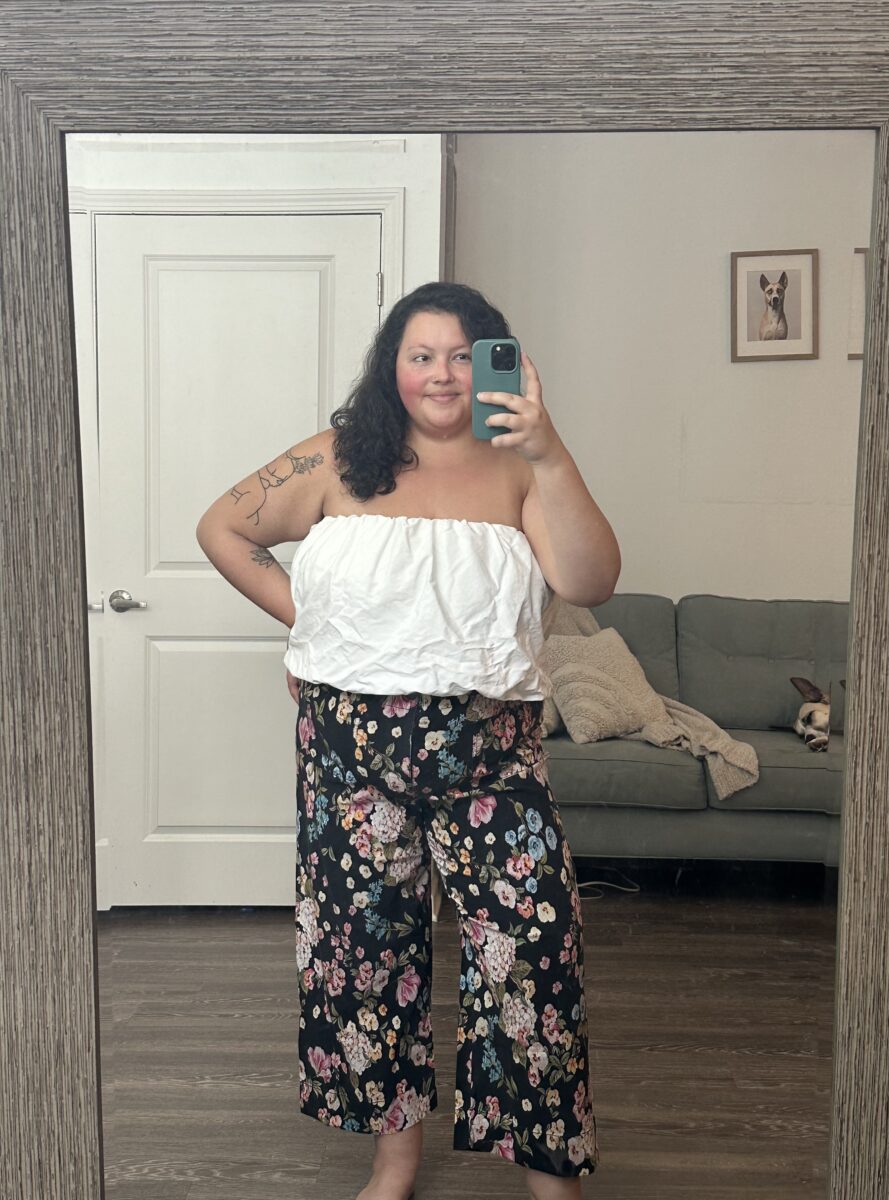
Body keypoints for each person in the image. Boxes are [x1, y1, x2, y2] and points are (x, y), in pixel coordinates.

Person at [196, 281, 621, 1200]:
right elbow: (222, 526)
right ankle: (395, 1160)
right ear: (392, 367)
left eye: (463, 355)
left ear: (497, 363)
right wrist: (309, 629)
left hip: (492, 754)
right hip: (351, 753)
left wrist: (548, 451)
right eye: (420, 353)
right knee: (366, 956)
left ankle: (551, 1173)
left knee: (533, 956)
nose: (441, 373)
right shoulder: (337, 457)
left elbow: (590, 581)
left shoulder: (520, 465)